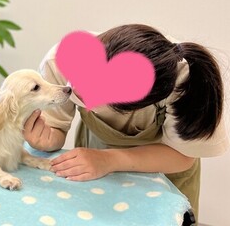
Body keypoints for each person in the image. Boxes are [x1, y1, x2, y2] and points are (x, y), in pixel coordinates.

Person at [23, 24, 228, 220]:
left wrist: (108, 160)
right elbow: (56, 128)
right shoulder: (60, 60)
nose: (74, 88)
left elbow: (183, 156)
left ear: (136, 107)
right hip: (95, 156)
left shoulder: (188, 82)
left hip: (167, 168)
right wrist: (47, 139)